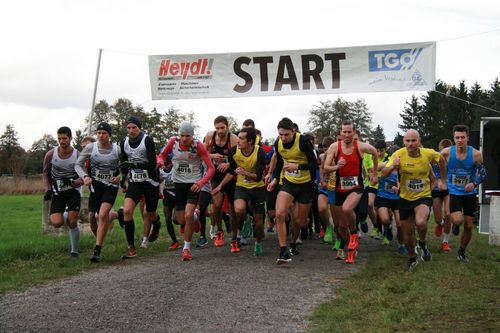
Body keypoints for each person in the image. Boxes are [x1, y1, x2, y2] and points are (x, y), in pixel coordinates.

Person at [382, 129, 447, 271]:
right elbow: (384, 174)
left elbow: (441, 160)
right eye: (407, 141)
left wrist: (443, 180)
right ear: (403, 141)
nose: (410, 144)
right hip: (405, 198)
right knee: (407, 234)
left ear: (419, 141)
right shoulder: (398, 154)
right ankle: (412, 258)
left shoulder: (428, 153)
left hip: (423, 196)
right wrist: (393, 165)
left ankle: (422, 243)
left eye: (413, 141)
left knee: (421, 222)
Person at [157, 122, 215, 261]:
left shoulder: (198, 146)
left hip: (193, 184)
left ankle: (186, 249)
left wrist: (200, 183)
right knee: (180, 219)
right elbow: (161, 155)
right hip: (178, 184)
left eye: (187, 136)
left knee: (187, 216)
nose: (184, 139)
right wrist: (159, 161)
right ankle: (196, 217)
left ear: (192, 136)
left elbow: (211, 168)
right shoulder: (173, 142)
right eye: (182, 135)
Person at [323, 121, 379, 264]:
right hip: (339, 189)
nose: (347, 135)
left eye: (349, 132)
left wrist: (374, 174)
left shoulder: (360, 146)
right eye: (344, 132)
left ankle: (354, 234)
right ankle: (351, 246)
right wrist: (337, 166)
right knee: (341, 226)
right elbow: (326, 168)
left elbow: (374, 152)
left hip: (356, 187)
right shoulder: (334, 147)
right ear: (340, 133)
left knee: (347, 209)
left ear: (354, 133)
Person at [266, 117, 318, 264]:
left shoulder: (302, 141)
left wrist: (298, 167)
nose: (283, 137)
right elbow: (280, 162)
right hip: (289, 182)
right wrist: (275, 178)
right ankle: (283, 251)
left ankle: (294, 242)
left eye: (286, 134)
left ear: (293, 131)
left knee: (299, 221)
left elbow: (315, 164)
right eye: (281, 134)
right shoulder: (278, 143)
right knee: (280, 213)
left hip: (306, 185)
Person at [212, 127, 267, 255]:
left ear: (250, 142)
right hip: (241, 187)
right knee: (238, 210)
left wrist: (244, 173)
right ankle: (245, 220)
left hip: (257, 188)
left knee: (259, 223)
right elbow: (231, 171)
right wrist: (220, 186)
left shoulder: (260, 153)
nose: (238, 141)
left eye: (241, 139)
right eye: (238, 137)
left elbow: (258, 176)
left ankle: (258, 243)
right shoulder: (233, 151)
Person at [75, 122, 121, 262]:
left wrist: (120, 177)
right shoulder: (90, 147)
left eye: (104, 133)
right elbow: (78, 165)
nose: (101, 136)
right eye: (99, 133)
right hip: (95, 187)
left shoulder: (117, 150)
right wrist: (85, 177)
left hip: (110, 187)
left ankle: (97, 251)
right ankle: (100, 240)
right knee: (91, 218)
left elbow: (126, 167)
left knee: (102, 215)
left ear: (109, 135)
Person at [441, 125, 486, 263]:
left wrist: (474, 183)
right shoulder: (446, 152)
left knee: (468, 225)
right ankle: (455, 225)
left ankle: (461, 251)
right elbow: (435, 164)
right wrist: (440, 180)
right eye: (457, 138)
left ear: (467, 138)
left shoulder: (476, 154)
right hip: (454, 191)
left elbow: (483, 173)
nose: (460, 140)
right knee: (458, 220)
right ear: (454, 138)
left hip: (469, 193)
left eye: (462, 137)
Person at [119, 116, 160, 259]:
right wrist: (123, 179)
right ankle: (131, 248)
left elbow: (152, 164)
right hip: (135, 182)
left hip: (150, 182)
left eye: (134, 127)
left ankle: (157, 222)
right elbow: (124, 164)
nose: (131, 130)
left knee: (150, 213)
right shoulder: (123, 142)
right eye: (129, 128)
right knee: (127, 211)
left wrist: (135, 165)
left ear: (139, 128)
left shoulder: (147, 140)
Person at [42, 126, 83, 258]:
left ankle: (74, 251)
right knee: (57, 222)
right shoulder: (50, 154)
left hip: (73, 192)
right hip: (58, 193)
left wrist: (73, 182)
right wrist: (47, 189)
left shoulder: (77, 155)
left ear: (70, 138)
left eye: (64, 138)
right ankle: (65, 214)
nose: (61, 141)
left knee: (72, 222)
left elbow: (84, 177)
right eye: (59, 138)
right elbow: (45, 174)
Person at [204, 116, 239, 247]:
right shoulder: (209, 136)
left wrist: (229, 163)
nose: (220, 131)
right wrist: (212, 156)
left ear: (227, 126)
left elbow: (239, 160)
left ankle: (235, 236)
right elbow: (202, 153)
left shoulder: (234, 139)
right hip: (216, 175)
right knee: (217, 204)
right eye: (217, 128)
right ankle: (219, 231)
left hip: (231, 176)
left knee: (233, 209)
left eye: (222, 128)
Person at [432, 139, 453, 252]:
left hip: (449, 189)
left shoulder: (453, 160)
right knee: (437, 219)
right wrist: (437, 181)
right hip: (436, 189)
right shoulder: (434, 159)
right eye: (441, 151)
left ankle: (445, 241)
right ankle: (440, 224)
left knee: (448, 214)